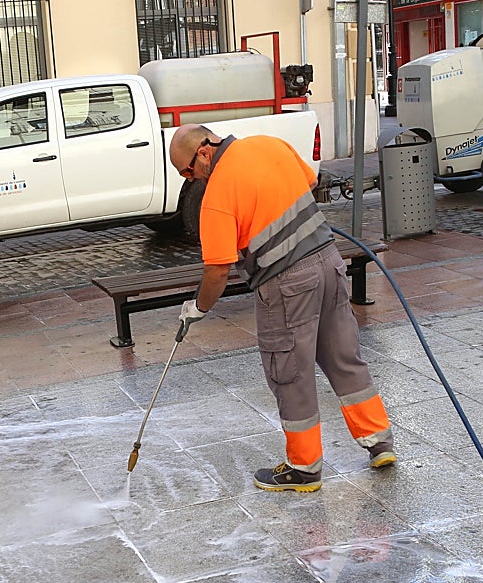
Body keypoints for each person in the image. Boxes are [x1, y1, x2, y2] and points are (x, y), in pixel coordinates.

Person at [169, 124, 395, 493]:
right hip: (328, 261)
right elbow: (307, 183)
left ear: (205, 150)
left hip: (286, 285)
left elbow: (217, 270)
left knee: (289, 373)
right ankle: (380, 444)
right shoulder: (269, 144)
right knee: (344, 357)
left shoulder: (216, 197)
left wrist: (198, 307)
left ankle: (304, 470)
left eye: (188, 170)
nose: (189, 178)